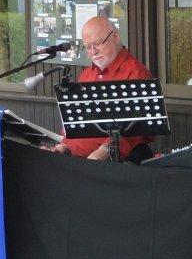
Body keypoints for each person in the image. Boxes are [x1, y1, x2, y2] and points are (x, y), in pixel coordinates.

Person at [46, 17, 153, 161]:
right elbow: (75, 123)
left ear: (115, 37)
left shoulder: (135, 74)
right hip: (76, 160)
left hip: (112, 164)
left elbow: (134, 131)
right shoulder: (87, 75)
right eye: (88, 47)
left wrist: (103, 152)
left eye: (97, 44)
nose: (93, 52)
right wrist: (64, 146)